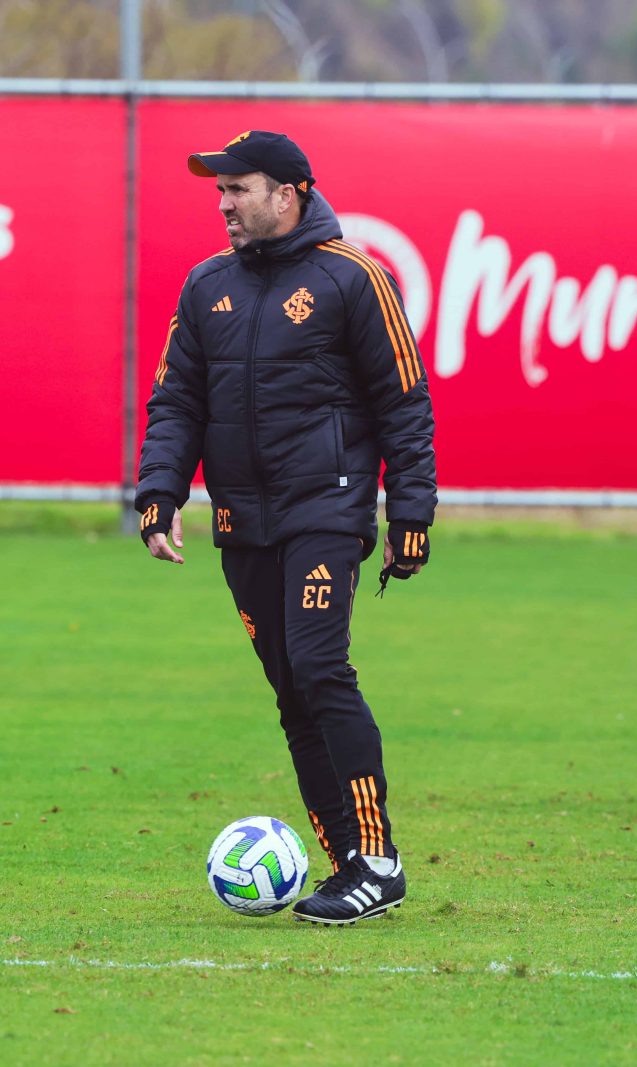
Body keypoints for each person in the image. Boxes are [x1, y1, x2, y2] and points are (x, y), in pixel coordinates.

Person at [135, 130, 436, 925]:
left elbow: (404, 405)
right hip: (243, 522)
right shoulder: (206, 287)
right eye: (220, 192)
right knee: (292, 694)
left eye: (241, 188)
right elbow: (177, 402)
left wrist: (410, 514)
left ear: (291, 192)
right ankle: (346, 869)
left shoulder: (355, 277)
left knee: (319, 667)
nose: (226, 204)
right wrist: (158, 494)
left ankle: (379, 859)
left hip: (326, 511)